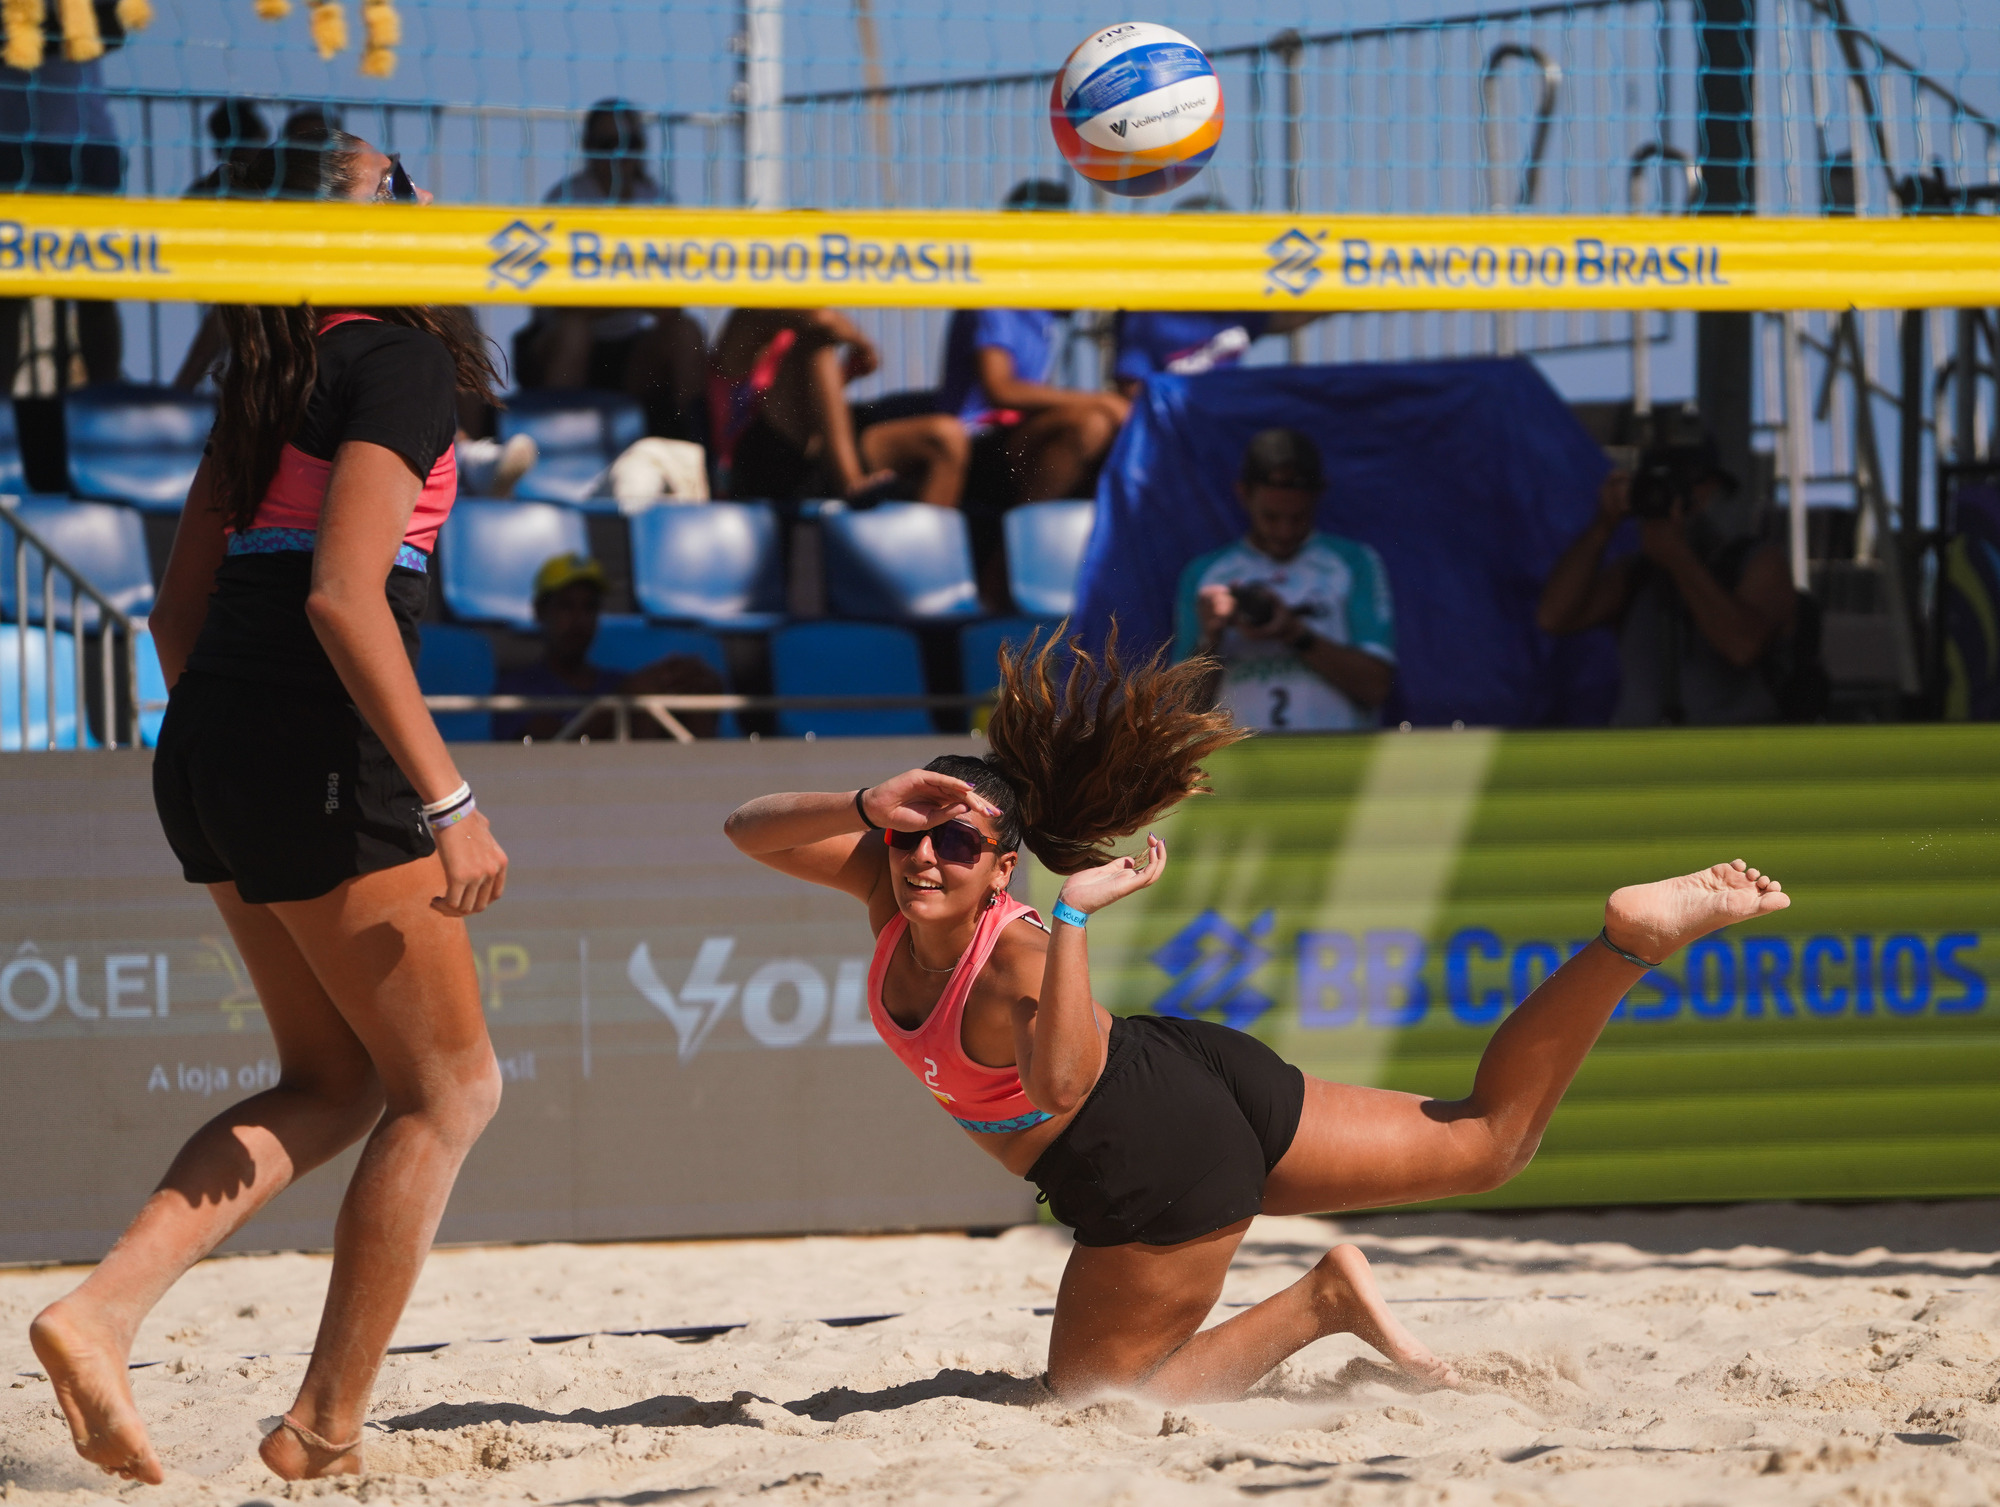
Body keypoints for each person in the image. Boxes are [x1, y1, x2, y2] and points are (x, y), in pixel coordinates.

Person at [723, 630, 1790, 1401]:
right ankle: (1627, 943)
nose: (926, 855)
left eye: (958, 841)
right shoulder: (891, 882)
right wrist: (864, 802)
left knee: (1097, 1403)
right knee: (1489, 1142)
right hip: (1184, 1072)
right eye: (911, 834)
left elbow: (1060, 1085)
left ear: (1003, 865)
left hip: (1146, 1155)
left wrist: (1075, 919)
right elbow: (745, 827)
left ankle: (1321, 1302)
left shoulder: (1019, 956)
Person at [29, 125, 508, 1486]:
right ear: (361, 223)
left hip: (211, 737)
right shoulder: (397, 358)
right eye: (397, 179)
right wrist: (449, 798)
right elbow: (344, 597)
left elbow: (175, 615)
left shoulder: (269, 368)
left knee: (334, 1078)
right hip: (308, 734)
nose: (424, 189)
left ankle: (99, 1311)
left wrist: (242, 740)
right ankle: (324, 1424)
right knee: (452, 1088)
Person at [1536, 436, 1799, 726]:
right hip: (1643, 748)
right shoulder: (1637, 574)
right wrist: (1603, 524)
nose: (1672, 499)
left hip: (1734, 747)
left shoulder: (1757, 562)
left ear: (1712, 490)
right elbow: (1554, 617)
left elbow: (1742, 647)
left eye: (1686, 484)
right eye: (1658, 486)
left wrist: (1678, 557)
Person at [1174, 428, 1396, 732]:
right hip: (1236, 758)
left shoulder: (1355, 563)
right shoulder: (1205, 574)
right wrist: (1210, 638)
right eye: (1271, 517)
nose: (1284, 531)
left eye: (1298, 517)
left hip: (1334, 756)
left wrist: (1295, 633)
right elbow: (1183, 712)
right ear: (1243, 494)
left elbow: (1376, 687)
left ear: (1318, 495)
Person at [514, 100, 706, 442]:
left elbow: (671, 307)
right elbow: (561, 307)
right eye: (608, 144)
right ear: (588, 148)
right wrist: (636, 294)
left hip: (631, 349)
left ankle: (699, 452)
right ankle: (554, 455)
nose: (620, 155)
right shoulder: (566, 200)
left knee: (685, 333)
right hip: (564, 345)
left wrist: (607, 298)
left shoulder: (659, 202)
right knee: (575, 332)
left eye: (631, 143)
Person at [936, 179, 1130, 508]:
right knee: (1092, 422)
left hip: (1017, 435)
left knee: (1118, 430)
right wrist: (1101, 400)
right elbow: (1001, 389)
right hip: (977, 439)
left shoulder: (1043, 310)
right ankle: (1017, 533)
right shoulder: (993, 297)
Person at [711, 307, 967, 505]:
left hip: (818, 454)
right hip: (755, 461)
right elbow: (823, 319)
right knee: (817, 343)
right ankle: (851, 482)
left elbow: (814, 410)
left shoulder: (794, 334)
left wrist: (845, 375)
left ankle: (927, 556)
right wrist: (862, 344)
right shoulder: (749, 316)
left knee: (946, 437)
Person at [495, 552, 725, 741]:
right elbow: (551, 756)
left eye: (589, 607)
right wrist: (627, 698)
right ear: (540, 611)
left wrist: (699, 693)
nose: (578, 619)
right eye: (566, 606)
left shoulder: (616, 682)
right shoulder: (516, 690)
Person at [1110, 196, 1321, 398]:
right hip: (1174, 414)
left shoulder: (1233, 301)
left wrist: (1335, 289)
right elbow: (1131, 387)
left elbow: (1283, 318)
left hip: (1225, 412)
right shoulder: (1147, 310)